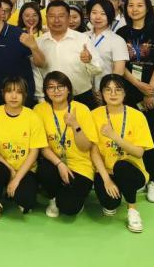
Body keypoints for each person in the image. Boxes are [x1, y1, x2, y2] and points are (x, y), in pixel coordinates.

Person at [117, 0, 154, 203]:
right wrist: (138, 85)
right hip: (129, 92)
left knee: (152, 136)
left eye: (139, 5)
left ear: (147, 8)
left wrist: (150, 90)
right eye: (130, 5)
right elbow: (120, 64)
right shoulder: (122, 33)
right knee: (130, 136)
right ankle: (139, 176)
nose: (134, 9)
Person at [91, 74, 154, 232]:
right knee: (110, 204)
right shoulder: (94, 115)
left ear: (125, 93)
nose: (113, 94)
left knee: (122, 166)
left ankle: (132, 210)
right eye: (108, 90)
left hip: (132, 170)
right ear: (101, 93)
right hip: (106, 171)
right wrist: (106, 180)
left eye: (118, 89)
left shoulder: (137, 116)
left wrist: (114, 137)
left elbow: (139, 153)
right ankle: (117, 191)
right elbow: (94, 151)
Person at [34, 72, 98, 218]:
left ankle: (68, 196)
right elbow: (42, 146)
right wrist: (59, 164)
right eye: (51, 87)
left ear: (68, 89)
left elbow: (85, 147)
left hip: (80, 165)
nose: (56, 91)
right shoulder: (39, 110)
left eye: (60, 86)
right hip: (54, 162)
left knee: (69, 208)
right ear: (45, 91)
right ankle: (53, 198)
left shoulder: (82, 109)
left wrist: (75, 125)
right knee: (45, 169)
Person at [0, 77, 47, 219]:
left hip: (25, 169)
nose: (14, 96)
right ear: (3, 93)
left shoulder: (33, 117)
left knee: (27, 203)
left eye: (19, 92)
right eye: (9, 91)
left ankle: (14, 192)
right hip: (2, 166)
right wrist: (10, 169)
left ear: (25, 95)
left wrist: (17, 178)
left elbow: (34, 152)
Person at [0, 0, 45, 109]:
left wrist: (34, 47)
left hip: (21, 97)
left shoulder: (19, 34)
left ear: (0, 11)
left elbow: (41, 63)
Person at [36, 1, 102, 109]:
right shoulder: (39, 42)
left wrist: (89, 60)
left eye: (61, 16)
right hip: (51, 99)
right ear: (46, 18)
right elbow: (37, 74)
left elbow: (98, 69)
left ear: (68, 18)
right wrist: (41, 99)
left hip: (82, 97)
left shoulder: (82, 39)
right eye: (52, 16)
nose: (56, 20)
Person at [86, 0, 129, 101]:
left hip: (104, 93)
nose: (98, 17)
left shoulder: (117, 40)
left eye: (103, 14)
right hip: (82, 91)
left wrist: (106, 92)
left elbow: (119, 71)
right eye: (94, 13)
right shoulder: (82, 37)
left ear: (110, 16)